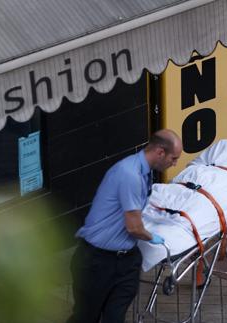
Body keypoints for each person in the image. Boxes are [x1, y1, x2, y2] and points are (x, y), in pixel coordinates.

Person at [66, 129, 183, 323]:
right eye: (174, 158)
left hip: (127, 259)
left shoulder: (144, 173)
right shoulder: (129, 174)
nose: (175, 163)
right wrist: (150, 237)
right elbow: (134, 227)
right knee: (86, 317)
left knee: (115, 317)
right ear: (160, 152)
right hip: (97, 261)